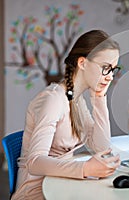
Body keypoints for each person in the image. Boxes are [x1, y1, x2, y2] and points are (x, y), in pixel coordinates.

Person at [12, 29, 121, 200]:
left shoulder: (76, 99)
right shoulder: (54, 99)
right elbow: (34, 162)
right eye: (106, 68)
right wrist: (85, 169)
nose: (110, 77)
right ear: (83, 63)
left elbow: (101, 147)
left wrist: (99, 98)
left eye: (113, 70)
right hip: (37, 193)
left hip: (63, 185)